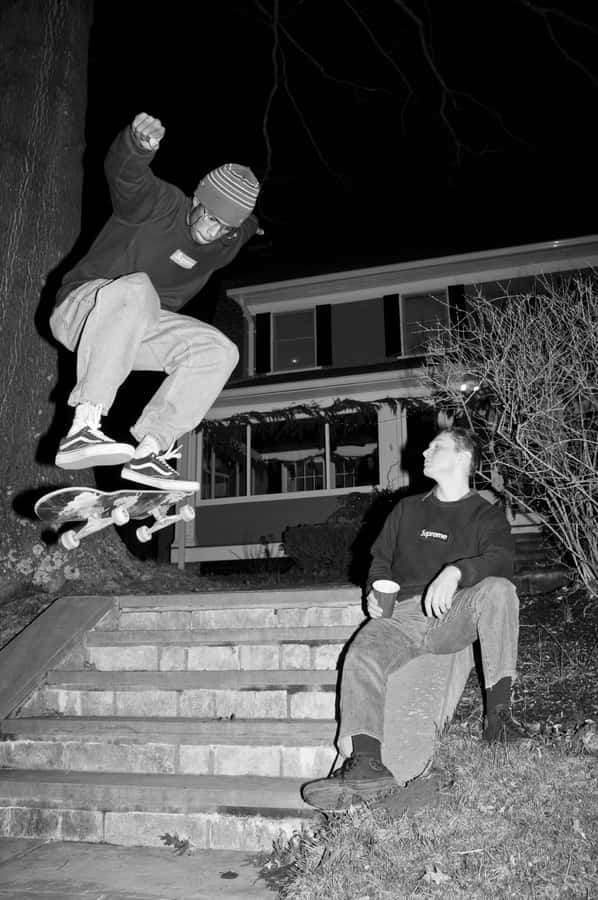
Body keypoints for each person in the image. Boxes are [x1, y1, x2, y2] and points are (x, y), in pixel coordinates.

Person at [302, 426, 529, 811]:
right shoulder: (408, 509)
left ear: (461, 458)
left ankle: (499, 718)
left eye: (434, 447)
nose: (423, 452)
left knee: (499, 591)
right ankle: (366, 762)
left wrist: (456, 572)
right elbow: (380, 562)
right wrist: (374, 591)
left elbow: (502, 560)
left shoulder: (485, 514)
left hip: (453, 612)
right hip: (402, 616)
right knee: (362, 654)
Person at [49, 112, 261, 491]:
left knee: (218, 349)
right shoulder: (158, 204)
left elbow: (245, 226)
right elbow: (125, 176)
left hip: (134, 333)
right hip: (82, 308)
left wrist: (248, 224)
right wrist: (136, 144)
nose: (210, 232)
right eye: (208, 217)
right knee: (138, 288)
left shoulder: (229, 238)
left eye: (222, 228)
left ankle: (151, 449)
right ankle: (84, 425)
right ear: (196, 198)